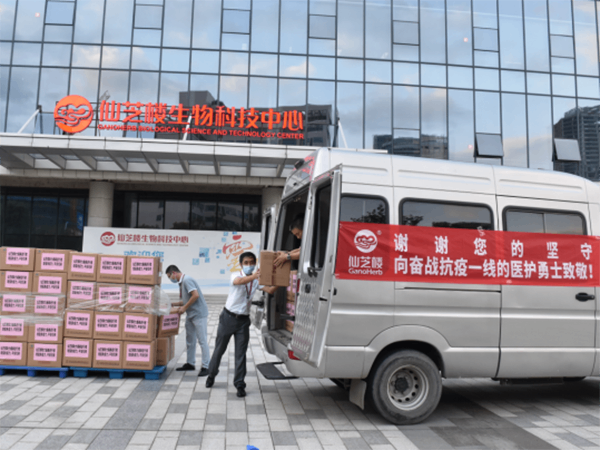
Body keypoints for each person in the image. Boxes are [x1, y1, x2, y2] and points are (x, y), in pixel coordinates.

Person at [205, 252, 276, 397]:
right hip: (228, 318)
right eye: (246, 263)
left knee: (241, 354)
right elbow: (239, 282)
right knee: (219, 349)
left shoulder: (256, 280)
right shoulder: (235, 275)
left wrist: (281, 280)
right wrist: (254, 276)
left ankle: (239, 384)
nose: (249, 265)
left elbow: (269, 289)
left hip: (243, 321)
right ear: (241, 264)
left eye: (252, 263)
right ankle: (211, 375)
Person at [166, 265, 210, 377]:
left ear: (174, 273)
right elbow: (186, 300)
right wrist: (174, 304)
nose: (170, 279)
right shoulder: (181, 283)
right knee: (190, 339)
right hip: (191, 314)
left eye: (169, 276)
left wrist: (184, 308)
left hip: (199, 314)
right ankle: (190, 363)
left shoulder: (187, 280)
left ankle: (206, 366)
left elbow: (195, 295)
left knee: (202, 340)